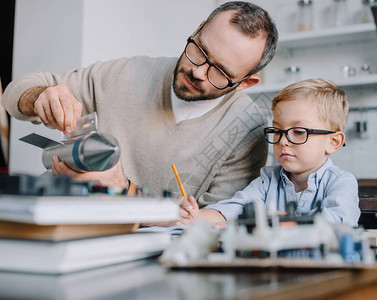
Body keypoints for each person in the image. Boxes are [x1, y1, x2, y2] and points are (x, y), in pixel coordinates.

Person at [2, 2, 278, 206]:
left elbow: (210, 224)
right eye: (201, 50)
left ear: (244, 83)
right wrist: (40, 96)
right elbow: (15, 93)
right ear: (198, 29)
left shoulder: (246, 132)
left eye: (220, 72)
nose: (198, 72)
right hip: (62, 223)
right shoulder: (126, 74)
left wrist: (124, 189)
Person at [180, 79, 360, 227]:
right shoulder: (268, 180)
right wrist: (194, 215)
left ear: (333, 142)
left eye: (298, 132)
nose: (282, 141)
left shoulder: (341, 182)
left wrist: (267, 221)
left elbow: (337, 222)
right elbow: (232, 210)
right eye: (277, 131)